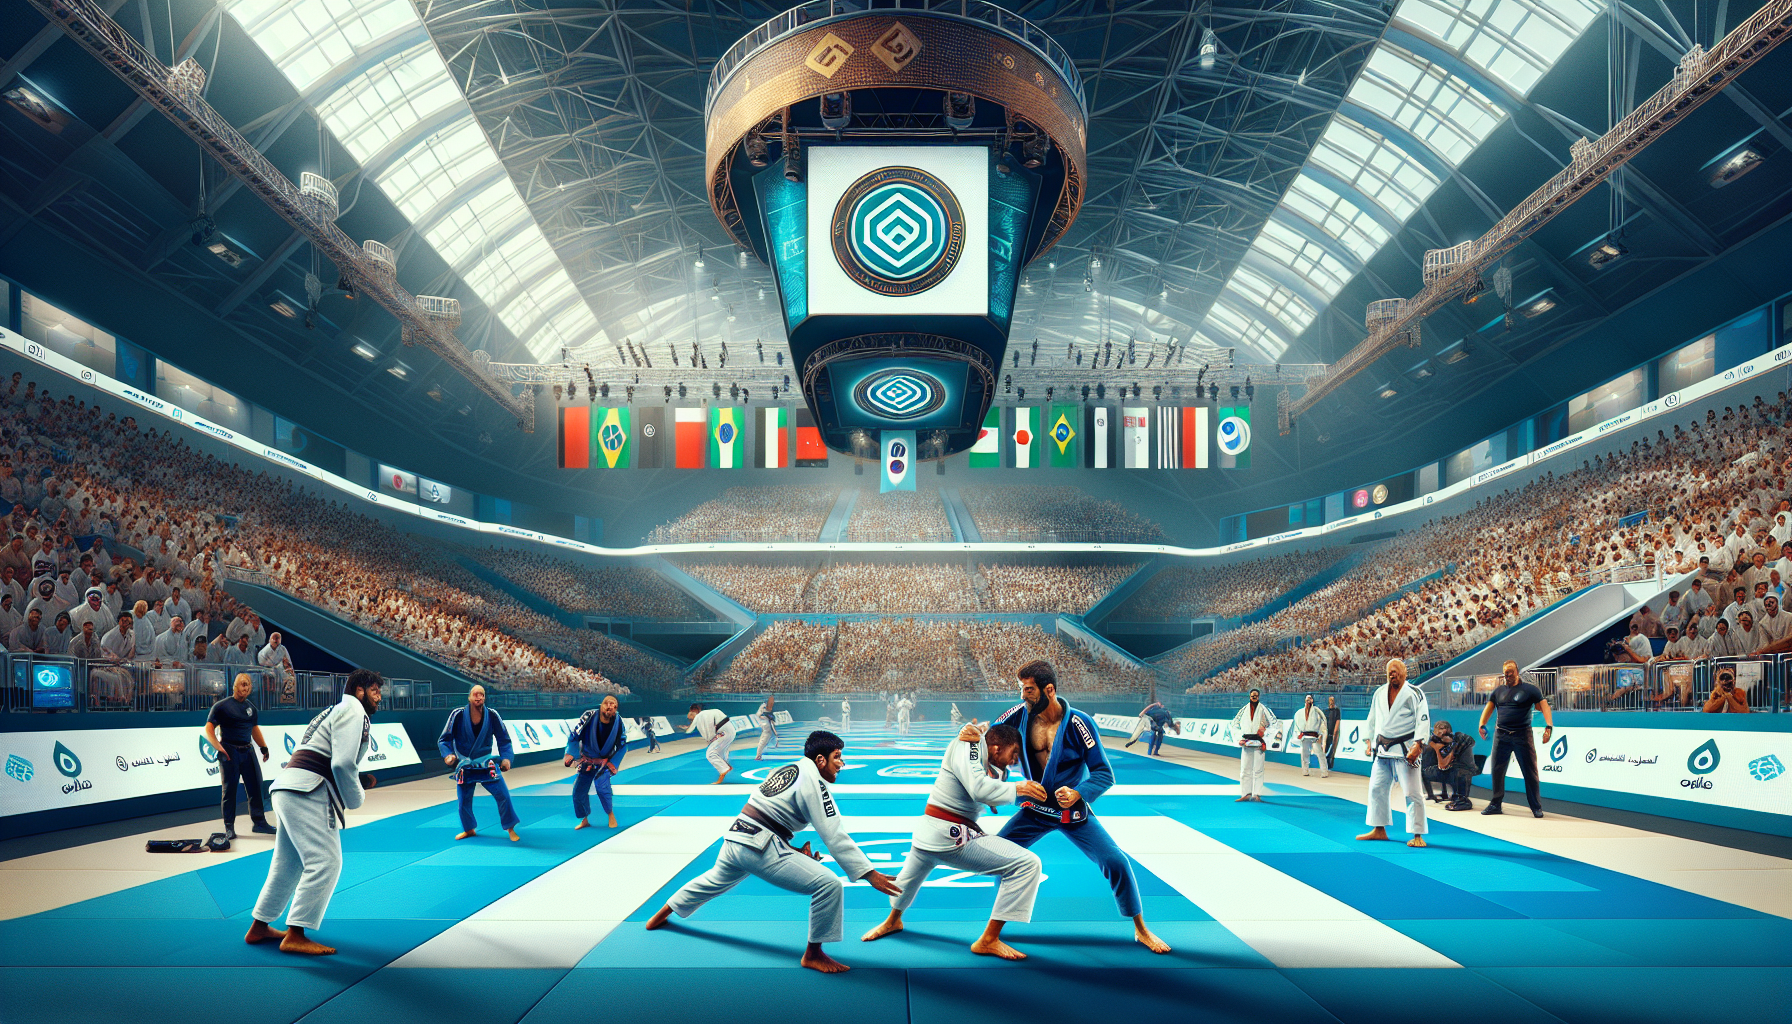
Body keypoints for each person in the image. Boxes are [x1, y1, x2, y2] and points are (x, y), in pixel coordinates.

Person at [645, 730, 902, 973]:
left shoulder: (789, 768)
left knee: (712, 879)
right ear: (821, 759)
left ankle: (658, 917)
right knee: (829, 885)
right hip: (759, 844)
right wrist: (869, 874)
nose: (841, 764)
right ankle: (813, 955)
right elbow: (834, 834)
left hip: (737, 835)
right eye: (838, 757)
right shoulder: (815, 781)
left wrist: (788, 848)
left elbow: (767, 811)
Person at [989, 660, 1171, 953]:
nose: (1023, 696)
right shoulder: (1017, 715)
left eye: (1029, 690)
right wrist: (993, 773)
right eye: (1021, 689)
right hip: (1034, 810)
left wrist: (1078, 793)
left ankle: (1141, 929)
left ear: (1049, 690)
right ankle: (997, 928)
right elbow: (991, 742)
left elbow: (1103, 773)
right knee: (997, 855)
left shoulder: (1078, 723)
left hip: (1070, 811)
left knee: (1116, 862)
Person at [861, 723, 1048, 959]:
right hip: (951, 837)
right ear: (997, 748)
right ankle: (989, 940)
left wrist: (1013, 792)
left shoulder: (995, 765)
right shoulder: (968, 743)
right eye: (1014, 754)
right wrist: (1018, 787)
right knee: (1027, 864)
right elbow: (979, 788)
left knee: (907, 881)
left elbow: (991, 785)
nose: (1014, 761)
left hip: (929, 835)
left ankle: (892, 922)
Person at [244, 668, 381, 956]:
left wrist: (359, 778)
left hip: (288, 786)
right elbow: (342, 764)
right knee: (326, 861)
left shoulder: (333, 710)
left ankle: (259, 926)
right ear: (359, 690)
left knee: (288, 863)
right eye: (375, 691)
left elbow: (328, 755)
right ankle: (296, 933)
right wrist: (357, 797)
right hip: (308, 790)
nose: (379, 697)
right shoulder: (355, 710)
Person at [1356, 659, 1429, 848]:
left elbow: (1423, 719)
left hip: (1405, 750)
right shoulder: (1379, 692)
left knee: (1413, 793)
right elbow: (1372, 718)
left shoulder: (1415, 693)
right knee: (1376, 789)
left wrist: (1418, 744)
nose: (1392, 674)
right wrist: (1368, 741)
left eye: (1396, 671)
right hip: (1382, 750)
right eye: (1390, 671)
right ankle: (1379, 829)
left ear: (1405, 672)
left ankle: (1418, 834)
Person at [437, 685, 520, 842]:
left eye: (481, 694)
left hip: (485, 763)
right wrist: (448, 754)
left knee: (502, 795)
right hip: (465, 764)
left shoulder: (493, 715)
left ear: (484, 698)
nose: (478, 697)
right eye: (475, 694)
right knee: (463, 801)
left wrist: (507, 758)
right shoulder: (458, 714)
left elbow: (504, 739)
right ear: (469, 697)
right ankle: (469, 829)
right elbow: (444, 739)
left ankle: (510, 828)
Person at [1477, 659, 1553, 817]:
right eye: (1505, 674)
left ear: (1517, 672)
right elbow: (1489, 707)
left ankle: (1536, 807)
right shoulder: (1498, 691)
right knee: (1497, 771)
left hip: (1522, 736)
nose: (1508, 677)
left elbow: (1544, 705)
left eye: (1510, 674)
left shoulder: (1530, 689)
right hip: (1501, 735)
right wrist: (1482, 724)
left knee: (1530, 772)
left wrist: (1549, 726)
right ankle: (1495, 804)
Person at [205, 672, 276, 839]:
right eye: (243, 684)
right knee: (229, 790)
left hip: (248, 750)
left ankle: (259, 823)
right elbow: (209, 728)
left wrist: (263, 747)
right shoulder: (222, 706)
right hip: (229, 751)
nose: (246, 687)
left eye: (249, 684)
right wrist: (218, 747)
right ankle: (229, 827)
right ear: (234, 686)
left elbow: (254, 729)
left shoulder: (251, 708)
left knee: (256, 786)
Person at [565, 694, 627, 829]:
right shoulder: (589, 716)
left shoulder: (619, 722)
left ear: (616, 709)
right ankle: (585, 819)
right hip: (587, 758)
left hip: (604, 761)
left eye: (613, 705)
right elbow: (574, 736)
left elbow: (623, 745)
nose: (609, 707)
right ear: (601, 705)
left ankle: (611, 815)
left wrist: (614, 763)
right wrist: (571, 754)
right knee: (578, 791)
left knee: (602, 787)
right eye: (607, 703)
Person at [1232, 688, 1275, 801]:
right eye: (1252, 696)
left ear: (1259, 696)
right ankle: (1246, 793)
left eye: (1256, 696)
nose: (1254, 697)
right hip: (1246, 742)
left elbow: (1274, 723)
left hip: (1259, 742)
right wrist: (1239, 738)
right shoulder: (1244, 709)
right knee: (1245, 769)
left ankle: (1257, 794)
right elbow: (1235, 723)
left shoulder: (1264, 709)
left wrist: (1266, 736)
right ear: (1249, 696)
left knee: (1258, 770)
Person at [680, 703, 734, 784]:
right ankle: (726, 765)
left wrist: (710, 740)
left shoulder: (700, 716)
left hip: (724, 733)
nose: (692, 720)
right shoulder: (710, 712)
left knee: (710, 754)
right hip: (730, 731)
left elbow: (704, 731)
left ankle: (725, 769)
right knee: (720, 752)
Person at [1291, 693, 1329, 777]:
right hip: (1305, 736)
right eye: (1307, 700)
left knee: (1320, 753)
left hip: (1315, 736)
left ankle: (1324, 771)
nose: (1308, 701)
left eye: (1310, 699)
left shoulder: (1317, 711)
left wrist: (1321, 735)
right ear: (1305, 701)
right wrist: (1298, 734)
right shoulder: (1299, 713)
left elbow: (1323, 723)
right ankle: (1305, 770)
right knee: (1304, 754)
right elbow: (1296, 725)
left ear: (1312, 700)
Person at [755, 695, 780, 761]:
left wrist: (775, 733)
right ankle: (758, 756)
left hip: (767, 731)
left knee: (763, 743)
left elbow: (772, 725)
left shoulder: (770, 716)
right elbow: (758, 715)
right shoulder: (763, 712)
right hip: (765, 729)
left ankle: (758, 756)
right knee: (761, 743)